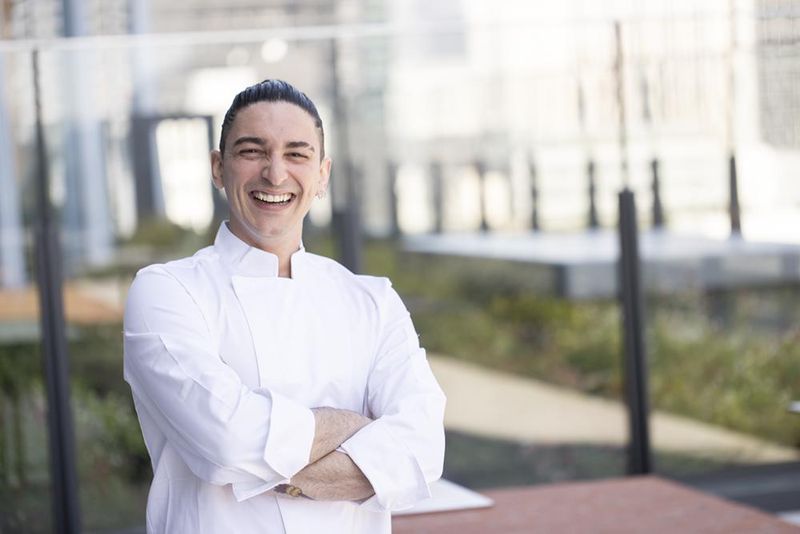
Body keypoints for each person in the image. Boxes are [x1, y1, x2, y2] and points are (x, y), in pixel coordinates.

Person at [123, 79, 446, 533]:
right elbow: (228, 440)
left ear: (322, 175)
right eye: (252, 151)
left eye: (297, 154)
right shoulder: (167, 292)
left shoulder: (373, 301)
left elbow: (422, 450)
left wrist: (269, 464)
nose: (275, 174)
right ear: (218, 168)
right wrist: (353, 426)